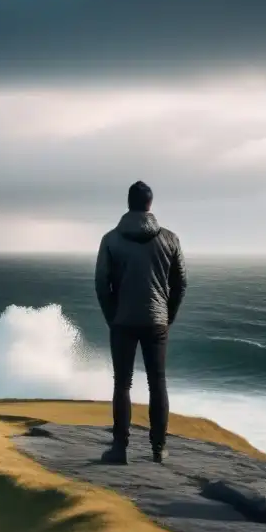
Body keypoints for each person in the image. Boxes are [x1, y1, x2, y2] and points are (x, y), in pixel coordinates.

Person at [94, 181, 187, 464]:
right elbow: (181, 283)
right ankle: (158, 448)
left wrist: (113, 317)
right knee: (157, 382)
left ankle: (120, 448)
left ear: (128, 203)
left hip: (122, 321)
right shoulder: (170, 239)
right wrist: (167, 316)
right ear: (150, 204)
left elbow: (101, 284)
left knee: (122, 383)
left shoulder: (110, 239)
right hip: (156, 322)